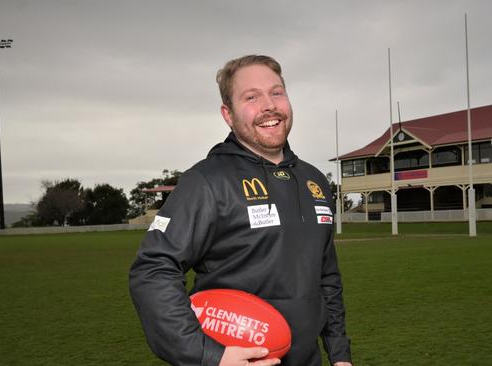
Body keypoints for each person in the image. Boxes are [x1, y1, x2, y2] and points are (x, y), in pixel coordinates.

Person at [129, 55, 353, 366]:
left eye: (277, 92)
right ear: (228, 115)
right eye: (251, 97)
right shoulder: (206, 181)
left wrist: (339, 353)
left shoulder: (313, 180)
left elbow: (326, 276)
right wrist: (209, 355)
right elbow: (152, 271)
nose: (269, 105)